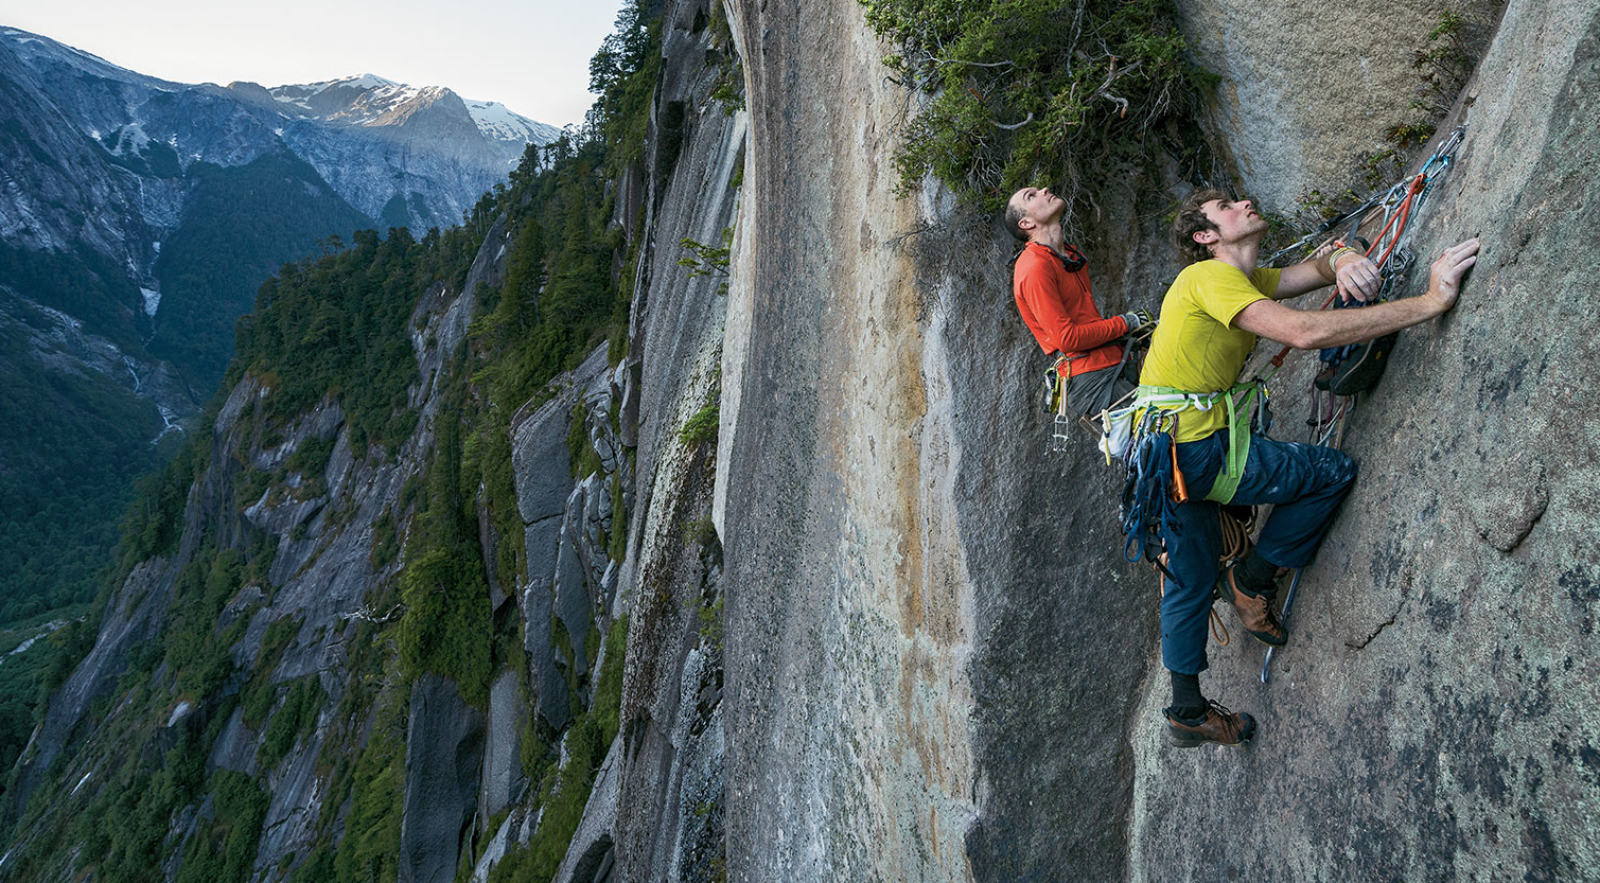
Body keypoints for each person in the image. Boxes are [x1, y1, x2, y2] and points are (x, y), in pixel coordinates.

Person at [1144, 189, 1479, 748]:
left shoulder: (1244, 279)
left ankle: (1186, 708)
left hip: (1158, 456)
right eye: (1226, 207)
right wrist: (1430, 303)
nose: (1245, 202)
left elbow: (1316, 269)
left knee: (1189, 578)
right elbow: (1305, 334)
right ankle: (1251, 584)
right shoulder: (1209, 279)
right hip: (1195, 451)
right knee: (1329, 473)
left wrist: (1345, 259)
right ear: (1206, 237)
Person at [1006, 186, 1153, 418]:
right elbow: (1067, 339)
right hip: (1092, 379)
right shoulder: (1034, 267)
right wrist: (1125, 323)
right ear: (1026, 224)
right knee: (1171, 441)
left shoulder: (1067, 256)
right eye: (1031, 196)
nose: (1044, 190)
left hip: (1113, 361)